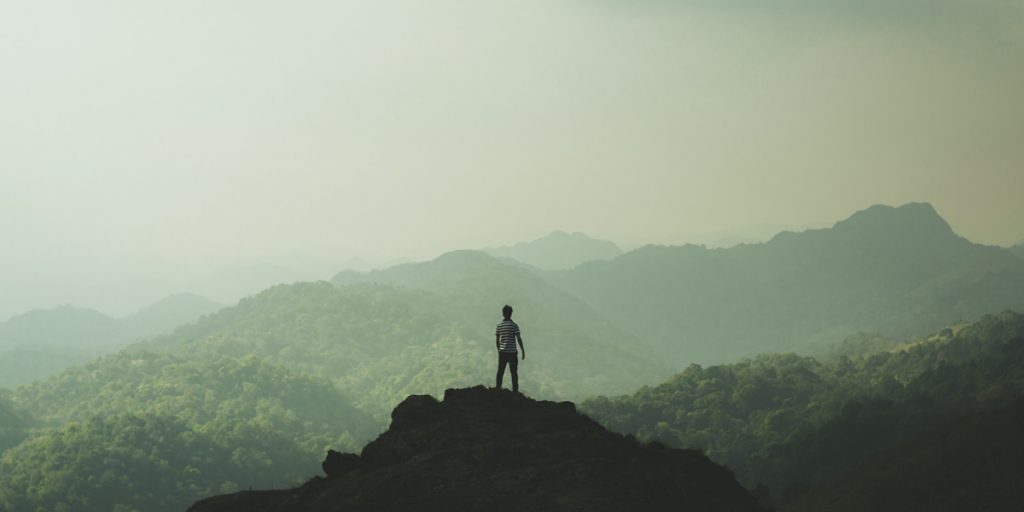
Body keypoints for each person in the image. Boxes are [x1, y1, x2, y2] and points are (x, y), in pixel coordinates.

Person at [495, 304, 525, 392]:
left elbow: (497, 340)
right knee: (514, 373)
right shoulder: (514, 325)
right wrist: (522, 350)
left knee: (500, 372)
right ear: (511, 314)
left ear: (503, 314)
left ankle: (498, 389)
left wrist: (498, 349)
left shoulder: (499, 325)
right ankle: (515, 391)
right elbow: (518, 338)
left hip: (502, 352)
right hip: (512, 352)